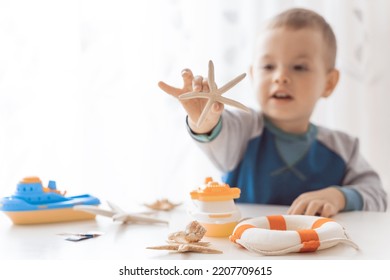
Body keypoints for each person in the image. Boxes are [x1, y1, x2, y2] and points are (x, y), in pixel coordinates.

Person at [158, 8, 387, 217]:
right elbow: (215, 132)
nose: (280, 77)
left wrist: (339, 196)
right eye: (268, 67)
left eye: (299, 67)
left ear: (329, 83)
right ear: (253, 75)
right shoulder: (242, 131)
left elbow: (378, 197)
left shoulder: (344, 148)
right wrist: (204, 120)